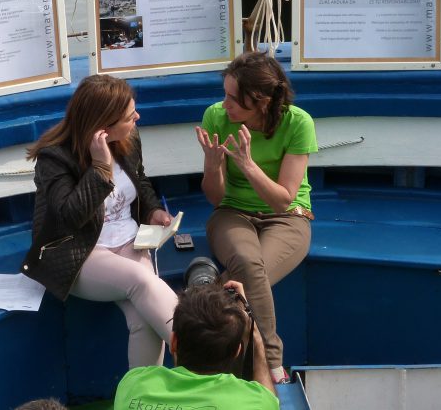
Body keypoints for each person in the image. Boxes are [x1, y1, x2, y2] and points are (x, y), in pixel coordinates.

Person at [21, 74, 179, 368]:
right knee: (143, 281)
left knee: (144, 320)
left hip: (130, 242)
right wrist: (100, 168)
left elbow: (139, 180)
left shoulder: (128, 138)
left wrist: (152, 211)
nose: (137, 118)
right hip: (81, 253)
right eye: (129, 116)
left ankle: (143, 391)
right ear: (103, 127)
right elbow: (69, 218)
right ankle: (201, 352)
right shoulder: (54, 157)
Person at [194, 51, 317, 383]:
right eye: (224, 94)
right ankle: (273, 361)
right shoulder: (216, 117)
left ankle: (201, 302)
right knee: (248, 263)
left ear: (262, 101)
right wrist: (212, 164)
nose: (225, 105)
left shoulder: (298, 123)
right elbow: (215, 197)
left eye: (234, 99)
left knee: (246, 276)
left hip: (288, 217)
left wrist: (247, 165)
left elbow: (282, 200)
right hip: (232, 213)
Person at [113, 280, 278, 410]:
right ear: (236, 351)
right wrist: (254, 336)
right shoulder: (256, 402)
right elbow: (268, 398)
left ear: (173, 342)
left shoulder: (132, 384)